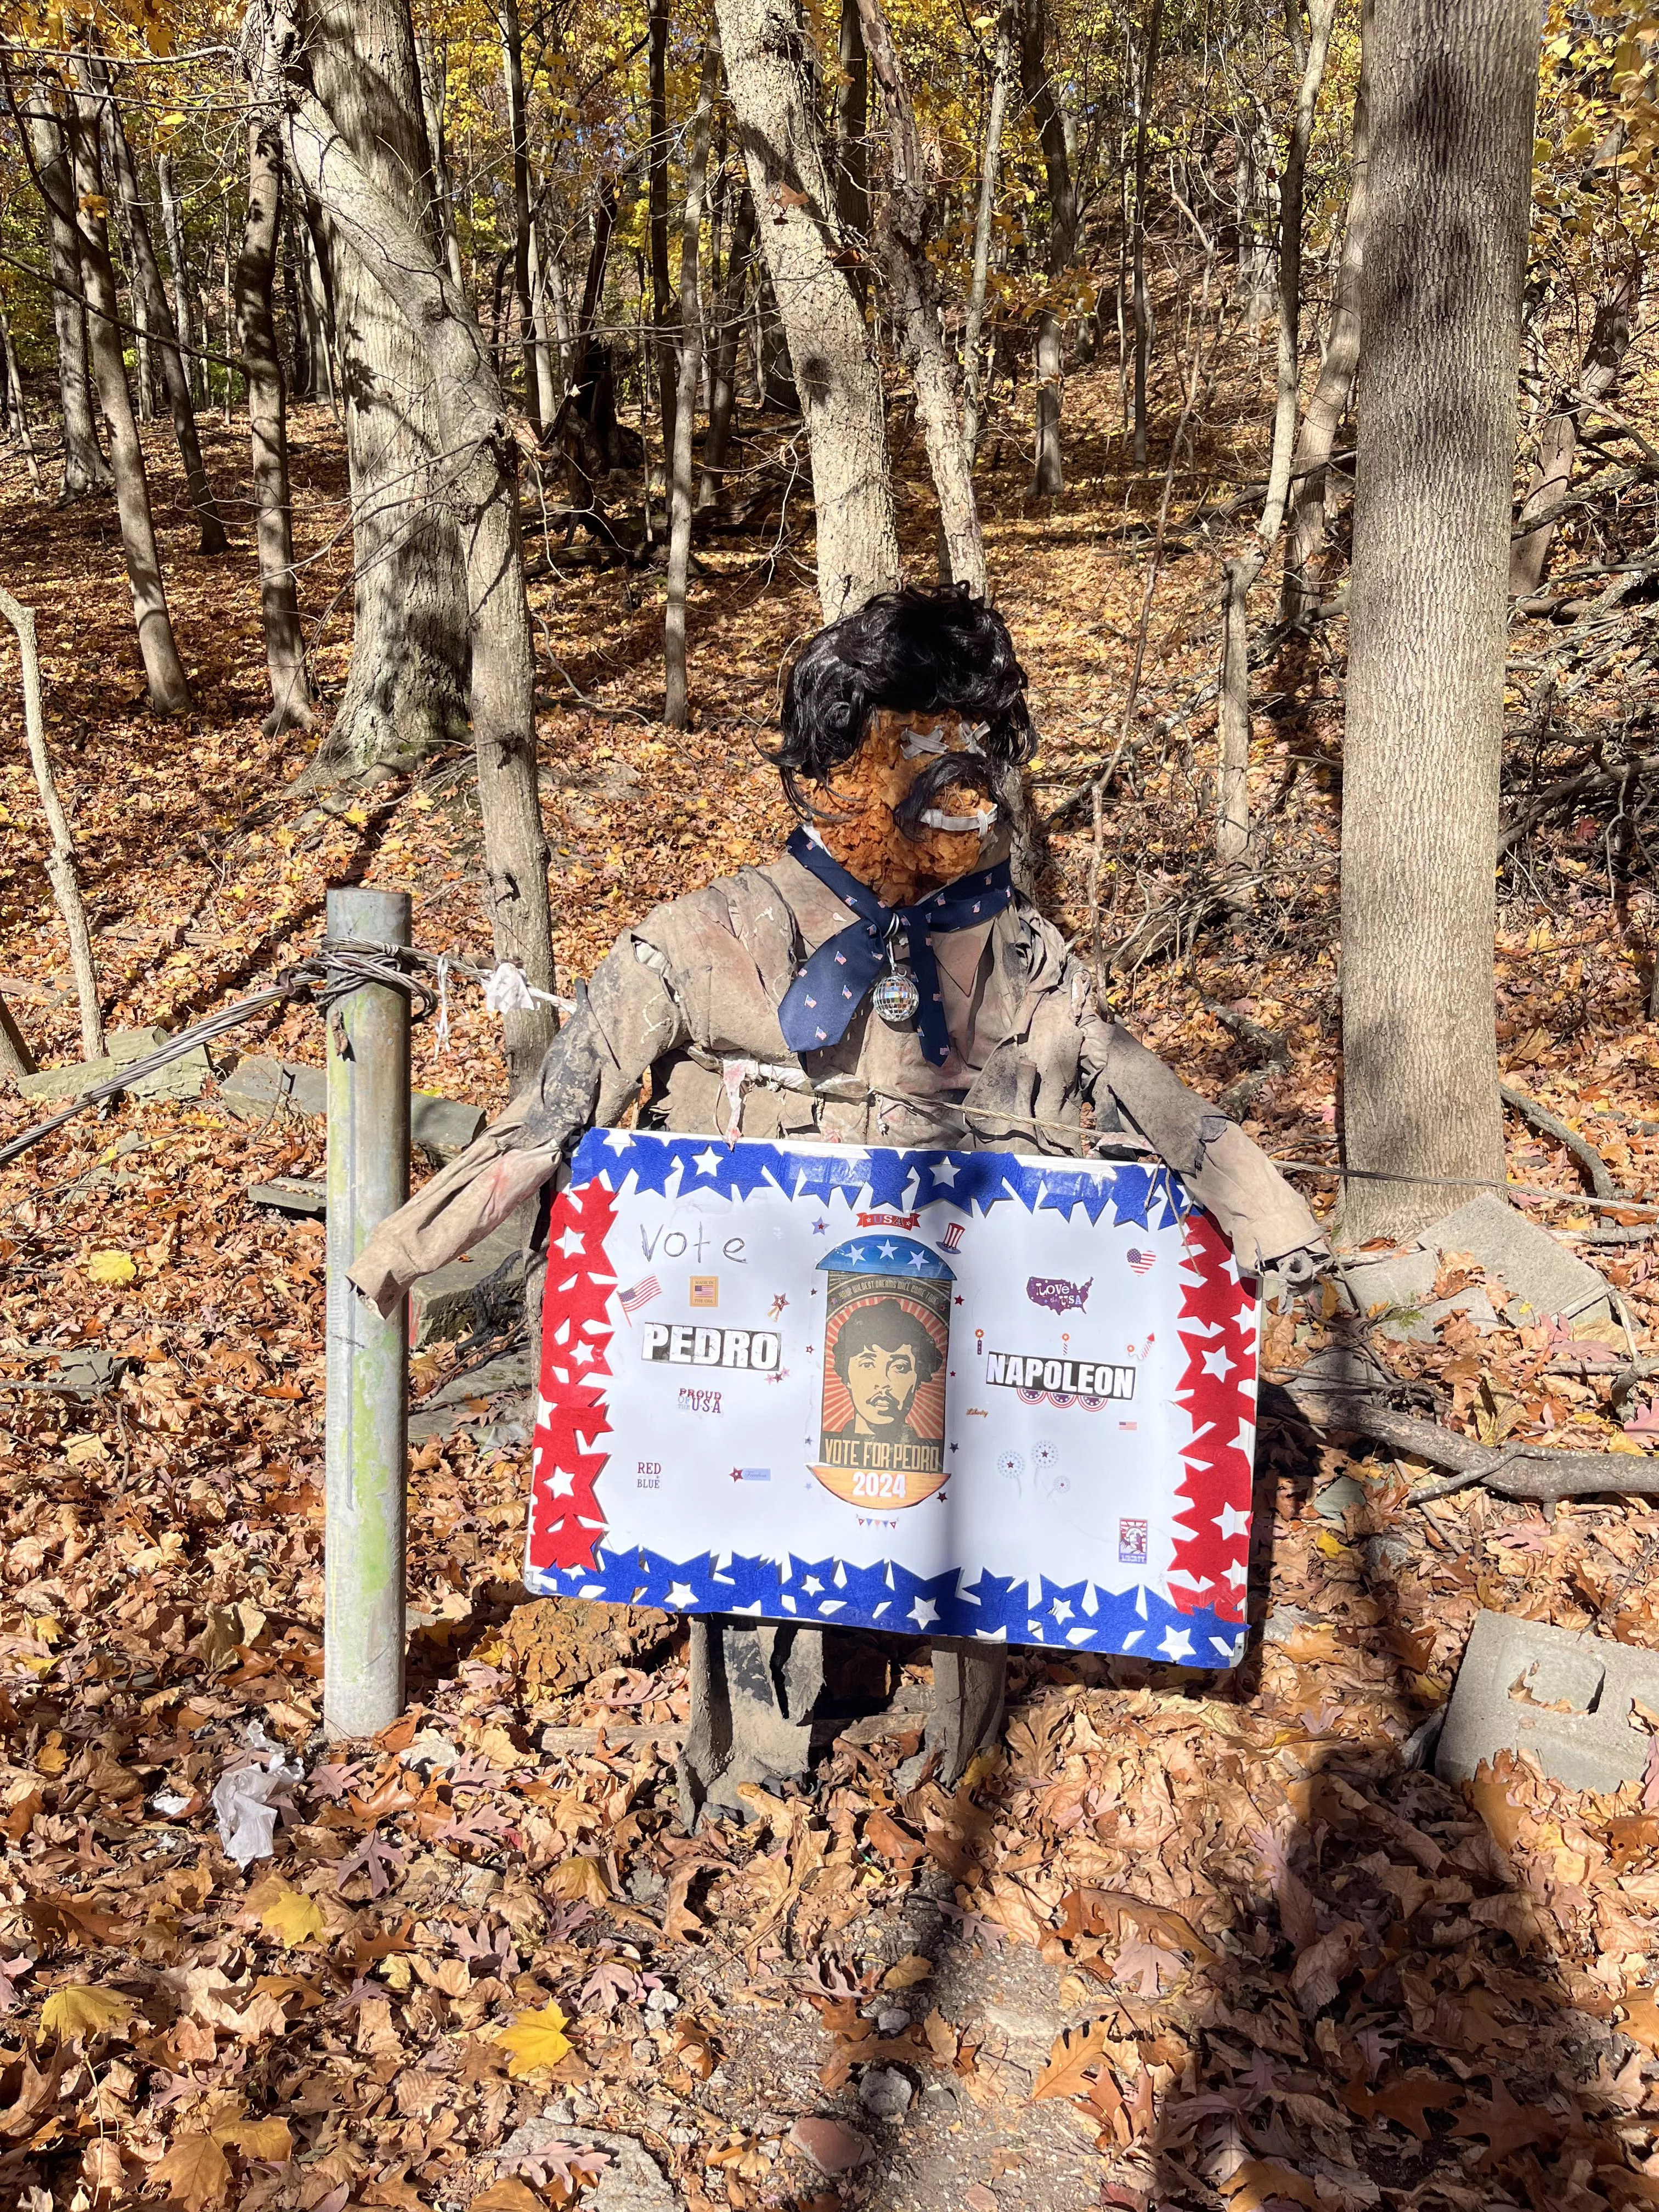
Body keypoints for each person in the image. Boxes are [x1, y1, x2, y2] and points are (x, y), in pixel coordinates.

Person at [350, 584, 1328, 1820]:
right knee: (745, 1542)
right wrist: (421, 1237)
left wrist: (1266, 1214)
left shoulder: (1021, 960)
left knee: (979, 1533)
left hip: (968, 1324)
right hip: (749, 1333)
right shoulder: (712, 934)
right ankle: (753, 1759)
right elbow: (561, 1098)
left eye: (965, 747)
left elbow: (1144, 1091)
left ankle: (958, 1743)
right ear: (831, 761)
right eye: (902, 744)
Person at [827, 1299, 943, 1448]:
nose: (883, 1382)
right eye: (868, 1365)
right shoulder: (830, 1448)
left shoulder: (928, 1453)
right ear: (847, 1375)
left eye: (900, 1367)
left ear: (918, 1378)